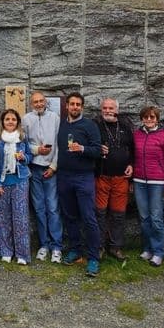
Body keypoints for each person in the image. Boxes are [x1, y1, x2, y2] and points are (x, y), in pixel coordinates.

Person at [57, 92, 102, 277]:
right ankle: (75, 250)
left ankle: (93, 258)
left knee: (89, 218)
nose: (75, 107)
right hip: (64, 176)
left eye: (78, 104)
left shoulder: (89, 125)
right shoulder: (62, 125)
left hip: (84, 177)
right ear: (66, 106)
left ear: (82, 107)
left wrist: (82, 148)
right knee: (69, 216)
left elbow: (98, 150)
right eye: (72, 104)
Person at [132, 105, 164, 267]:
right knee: (144, 218)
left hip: (158, 183)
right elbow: (132, 157)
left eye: (152, 117)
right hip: (139, 182)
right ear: (142, 119)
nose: (149, 120)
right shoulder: (136, 135)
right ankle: (148, 248)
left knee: (156, 218)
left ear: (157, 119)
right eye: (146, 117)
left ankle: (158, 251)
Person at [22, 91, 62, 263]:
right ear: (31, 104)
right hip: (34, 168)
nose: (38, 104)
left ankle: (56, 247)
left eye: (41, 101)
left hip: (51, 168)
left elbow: (60, 144)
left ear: (46, 102)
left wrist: (54, 166)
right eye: (35, 102)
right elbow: (23, 144)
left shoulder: (55, 117)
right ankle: (44, 245)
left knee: (52, 208)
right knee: (39, 208)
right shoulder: (26, 119)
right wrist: (36, 150)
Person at [93, 97, 134, 261]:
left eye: (111, 108)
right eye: (105, 108)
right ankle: (99, 246)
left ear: (116, 110)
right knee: (100, 213)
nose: (108, 111)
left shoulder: (125, 126)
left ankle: (115, 247)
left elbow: (133, 149)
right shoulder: (95, 125)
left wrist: (132, 165)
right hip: (102, 176)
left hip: (121, 178)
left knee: (118, 214)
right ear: (101, 110)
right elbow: (88, 145)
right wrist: (97, 149)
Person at [0, 109, 32, 264]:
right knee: (2, 218)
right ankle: (5, 251)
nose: (10, 122)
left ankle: (22, 254)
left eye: (13, 119)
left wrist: (24, 158)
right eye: (7, 119)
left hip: (20, 181)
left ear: (17, 122)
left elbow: (30, 156)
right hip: (2, 183)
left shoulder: (22, 139)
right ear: (2, 122)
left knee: (20, 218)